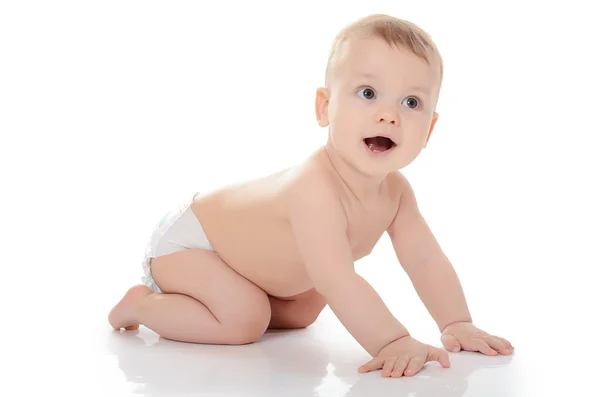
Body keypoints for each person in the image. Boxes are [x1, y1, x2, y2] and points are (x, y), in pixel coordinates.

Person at [109, 13, 514, 378]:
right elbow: (338, 279)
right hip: (192, 244)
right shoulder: (315, 189)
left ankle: (241, 297)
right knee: (245, 321)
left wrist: (456, 322)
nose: (388, 115)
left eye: (411, 102)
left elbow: (425, 260)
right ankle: (140, 304)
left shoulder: (398, 194)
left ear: (428, 131)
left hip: (246, 266)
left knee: (303, 310)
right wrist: (391, 341)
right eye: (368, 93)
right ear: (324, 108)